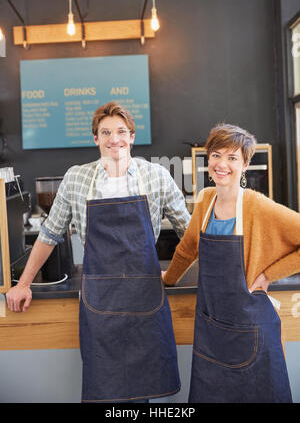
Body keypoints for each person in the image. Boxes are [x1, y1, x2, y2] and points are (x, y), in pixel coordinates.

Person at [6, 101, 191, 403]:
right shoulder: (77, 178)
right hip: (99, 300)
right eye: (105, 132)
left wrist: (174, 274)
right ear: (95, 139)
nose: (113, 139)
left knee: (141, 394)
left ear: (132, 136)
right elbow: (49, 234)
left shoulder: (156, 176)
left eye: (120, 131)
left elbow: (189, 233)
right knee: (106, 391)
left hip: (145, 296)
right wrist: (23, 283)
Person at [162, 123, 300, 403]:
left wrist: (268, 274)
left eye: (232, 158)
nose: (221, 164)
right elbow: (188, 249)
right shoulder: (205, 201)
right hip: (212, 329)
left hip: (252, 328)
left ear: (245, 164)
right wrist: (167, 280)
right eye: (216, 155)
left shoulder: (257, 206)